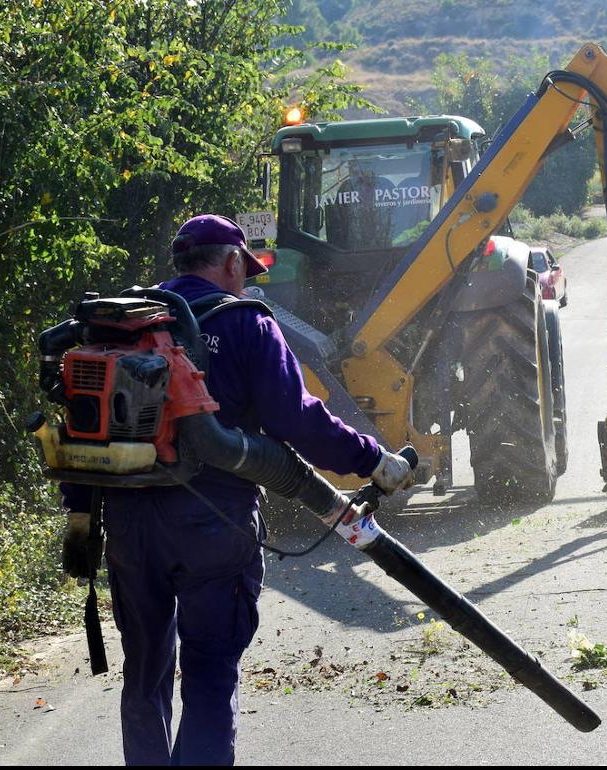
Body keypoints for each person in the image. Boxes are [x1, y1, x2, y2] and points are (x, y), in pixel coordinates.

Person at [61, 214, 412, 765]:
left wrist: (80, 518)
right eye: (243, 271)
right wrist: (373, 460)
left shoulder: (123, 327)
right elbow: (296, 421)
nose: (244, 281)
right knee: (209, 675)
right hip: (213, 524)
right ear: (230, 262)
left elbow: (84, 428)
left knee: (145, 671)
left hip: (129, 526)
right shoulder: (247, 322)